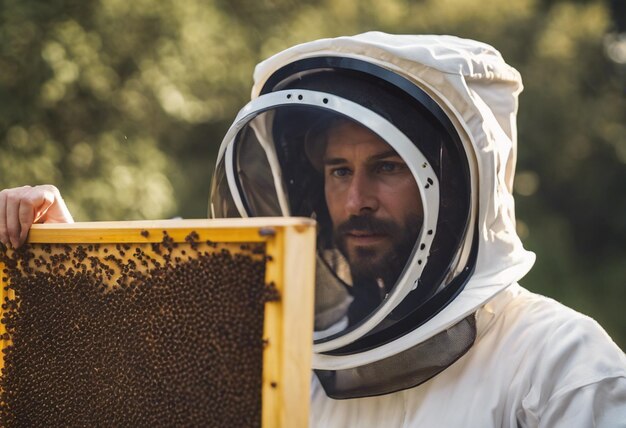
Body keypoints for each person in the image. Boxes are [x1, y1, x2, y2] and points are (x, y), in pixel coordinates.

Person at [1, 32, 625, 426]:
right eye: (337, 170)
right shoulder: (275, 351)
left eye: (387, 168)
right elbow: (111, 387)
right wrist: (59, 267)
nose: (355, 199)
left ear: (459, 184)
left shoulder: (562, 368)